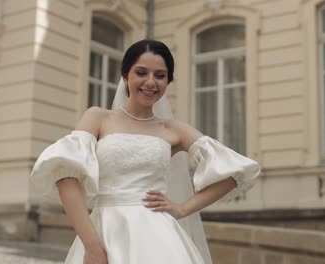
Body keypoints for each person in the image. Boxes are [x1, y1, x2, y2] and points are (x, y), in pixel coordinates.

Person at [30, 39, 260, 264]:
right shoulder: (98, 117)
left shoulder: (172, 129)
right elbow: (64, 174)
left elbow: (234, 173)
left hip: (158, 236)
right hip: (105, 230)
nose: (150, 82)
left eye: (160, 75)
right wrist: (92, 244)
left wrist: (182, 208)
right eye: (141, 72)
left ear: (168, 81)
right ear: (125, 76)